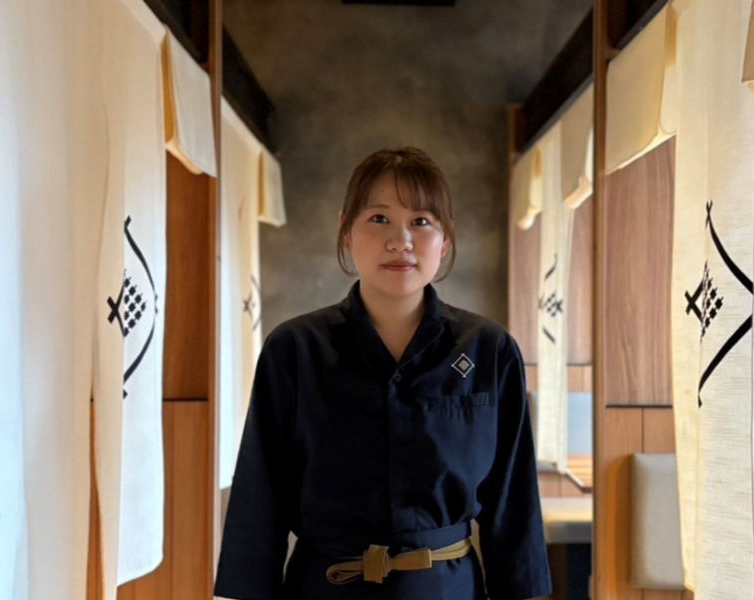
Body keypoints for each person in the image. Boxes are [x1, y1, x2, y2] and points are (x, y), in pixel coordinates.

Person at [214, 147, 551, 600]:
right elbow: (260, 499)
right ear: (346, 231)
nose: (401, 241)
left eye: (421, 221)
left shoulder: (488, 349)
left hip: (446, 590)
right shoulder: (294, 349)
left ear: (445, 240)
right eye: (379, 219)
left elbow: (514, 502)